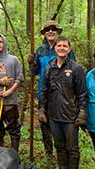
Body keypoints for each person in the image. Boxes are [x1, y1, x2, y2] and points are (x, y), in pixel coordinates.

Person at [39, 37, 87, 169]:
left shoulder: (76, 69)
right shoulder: (49, 67)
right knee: (59, 146)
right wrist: (42, 108)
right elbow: (44, 90)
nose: (61, 48)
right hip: (54, 115)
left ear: (69, 49)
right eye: (59, 45)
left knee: (72, 148)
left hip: (70, 116)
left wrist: (82, 112)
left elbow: (82, 93)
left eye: (64, 46)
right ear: (55, 49)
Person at [30, 20, 76, 158]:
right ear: (44, 33)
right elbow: (35, 71)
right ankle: (48, 152)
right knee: (44, 123)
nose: (51, 31)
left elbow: (73, 68)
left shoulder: (64, 48)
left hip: (63, 94)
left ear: (57, 32)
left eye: (53, 29)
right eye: (48, 29)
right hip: (44, 92)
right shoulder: (40, 50)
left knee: (60, 123)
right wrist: (31, 63)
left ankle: (61, 151)